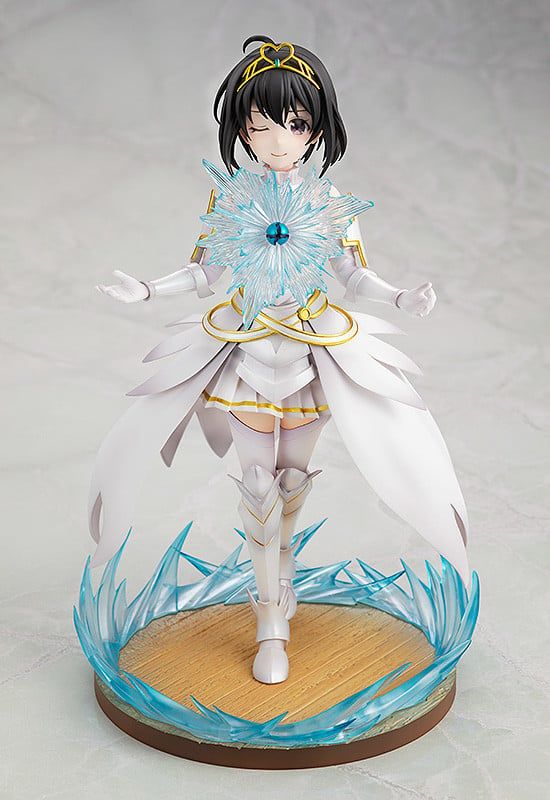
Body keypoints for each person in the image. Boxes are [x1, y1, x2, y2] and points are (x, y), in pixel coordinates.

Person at [90, 36, 469, 685]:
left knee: (290, 483)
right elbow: (205, 272)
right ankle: (270, 622)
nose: (277, 140)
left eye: (293, 124)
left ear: (315, 128)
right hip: (246, 350)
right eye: (261, 124)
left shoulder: (329, 201)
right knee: (257, 487)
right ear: (243, 128)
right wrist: (147, 290)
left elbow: (352, 274)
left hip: (308, 352)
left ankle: (280, 587)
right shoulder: (231, 198)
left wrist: (401, 297)